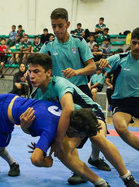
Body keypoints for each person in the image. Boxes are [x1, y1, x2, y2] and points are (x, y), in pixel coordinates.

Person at [0, 81, 106, 182]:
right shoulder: (52, 129)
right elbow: (35, 159)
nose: (80, 139)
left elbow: (31, 127)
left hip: (9, 98)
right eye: (80, 136)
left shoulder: (67, 108)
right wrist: (49, 161)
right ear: (74, 129)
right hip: (1, 116)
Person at [27, 53, 139, 187]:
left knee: (97, 138)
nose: (31, 76)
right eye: (29, 71)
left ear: (49, 72)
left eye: (36, 71)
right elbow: (39, 125)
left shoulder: (59, 83)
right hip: (71, 123)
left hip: (90, 112)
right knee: (61, 151)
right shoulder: (35, 97)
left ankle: (127, 178)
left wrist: (57, 140)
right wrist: (26, 127)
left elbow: (68, 109)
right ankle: (100, 183)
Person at [39, 8, 108, 183]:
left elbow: (92, 67)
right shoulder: (47, 46)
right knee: (69, 132)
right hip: (61, 95)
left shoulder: (79, 42)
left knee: (95, 131)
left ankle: (94, 157)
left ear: (68, 24)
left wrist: (76, 72)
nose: (56, 30)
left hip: (81, 90)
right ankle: (78, 169)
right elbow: (37, 64)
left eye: (60, 26)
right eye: (54, 26)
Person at [99, 27, 139, 152]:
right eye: (134, 43)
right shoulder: (120, 58)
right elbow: (97, 66)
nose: (137, 46)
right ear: (130, 43)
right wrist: (101, 62)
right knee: (120, 127)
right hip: (122, 104)